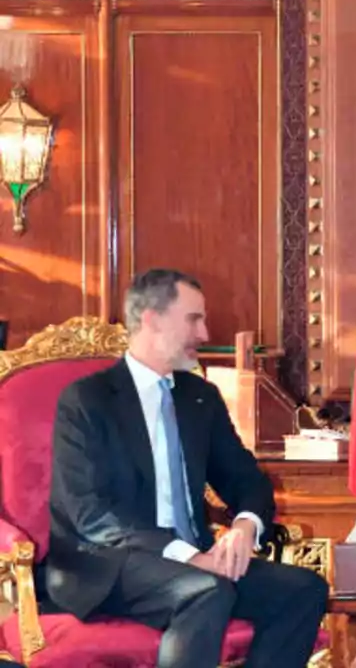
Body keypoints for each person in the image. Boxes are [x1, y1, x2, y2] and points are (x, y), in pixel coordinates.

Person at [46, 269, 328, 668]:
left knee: (303, 589)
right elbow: (92, 515)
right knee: (206, 590)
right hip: (104, 566)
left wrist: (245, 527)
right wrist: (188, 557)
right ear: (152, 319)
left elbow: (246, 479)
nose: (205, 331)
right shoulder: (87, 400)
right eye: (193, 319)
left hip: (198, 560)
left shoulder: (200, 398)